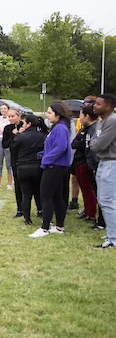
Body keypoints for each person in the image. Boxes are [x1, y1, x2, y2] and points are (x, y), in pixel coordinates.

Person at [29, 101, 72, 238]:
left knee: (46, 196)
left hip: (54, 166)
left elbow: (61, 147)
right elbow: (54, 146)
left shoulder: (60, 128)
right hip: (58, 165)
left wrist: (46, 159)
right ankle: (59, 227)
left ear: (58, 114)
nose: (47, 115)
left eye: (49, 112)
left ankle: (45, 228)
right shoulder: (59, 127)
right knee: (57, 196)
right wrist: (43, 153)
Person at [90, 94, 116, 248]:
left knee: (108, 201)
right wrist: (94, 143)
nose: (95, 106)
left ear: (108, 106)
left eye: (98, 104)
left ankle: (113, 238)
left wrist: (94, 143)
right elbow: (94, 142)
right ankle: (111, 232)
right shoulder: (101, 121)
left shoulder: (112, 121)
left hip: (111, 163)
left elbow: (99, 145)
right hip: (103, 162)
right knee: (103, 200)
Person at [11, 115, 47, 224]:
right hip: (37, 166)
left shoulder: (21, 136)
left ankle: (27, 218)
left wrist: (17, 134)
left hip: (23, 167)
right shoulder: (42, 136)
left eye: (25, 123)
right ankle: (41, 211)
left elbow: (13, 149)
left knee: (26, 193)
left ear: (29, 124)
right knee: (38, 191)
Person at [72, 106, 98, 224]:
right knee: (83, 188)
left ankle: (92, 213)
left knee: (88, 188)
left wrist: (80, 142)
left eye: (81, 116)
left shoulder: (92, 129)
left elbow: (84, 144)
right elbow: (74, 143)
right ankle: (87, 211)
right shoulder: (84, 129)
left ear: (87, 116)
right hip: (78, 161)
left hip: (85, 162)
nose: (79, 119)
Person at [3, 109, 24, 217]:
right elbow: (5, 144)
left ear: (18, 116)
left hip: (25, 158)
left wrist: (20, 133)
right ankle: (20, 209)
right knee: (18, 185)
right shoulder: (7, 128)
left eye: (12, 116)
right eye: (9, 116)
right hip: (15, 159)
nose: (10, 118)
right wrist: (14, 135)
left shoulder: (24, 126)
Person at [0, 103, 14, 190]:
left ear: (8, 109)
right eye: (1, 109)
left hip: (7, 141)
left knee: (9, 164)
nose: (3, 110)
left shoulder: (10, 119)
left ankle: (9, 183)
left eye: (5, 108)